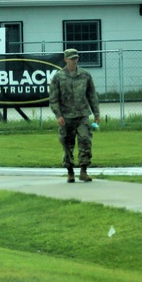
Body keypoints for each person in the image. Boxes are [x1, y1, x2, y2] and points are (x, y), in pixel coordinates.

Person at [48, 48, 99, 183]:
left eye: (76, 58)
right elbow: (53, 99)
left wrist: (96, 113)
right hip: (66, 116)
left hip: (82, 115)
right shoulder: (58, 77)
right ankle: (70, 172)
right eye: (71, 58)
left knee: (85, 140)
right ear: (65, 59)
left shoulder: (85, 75)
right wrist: (58, 115)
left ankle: (84, 171)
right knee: (67, 144)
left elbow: (92, 95)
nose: (74, 60)